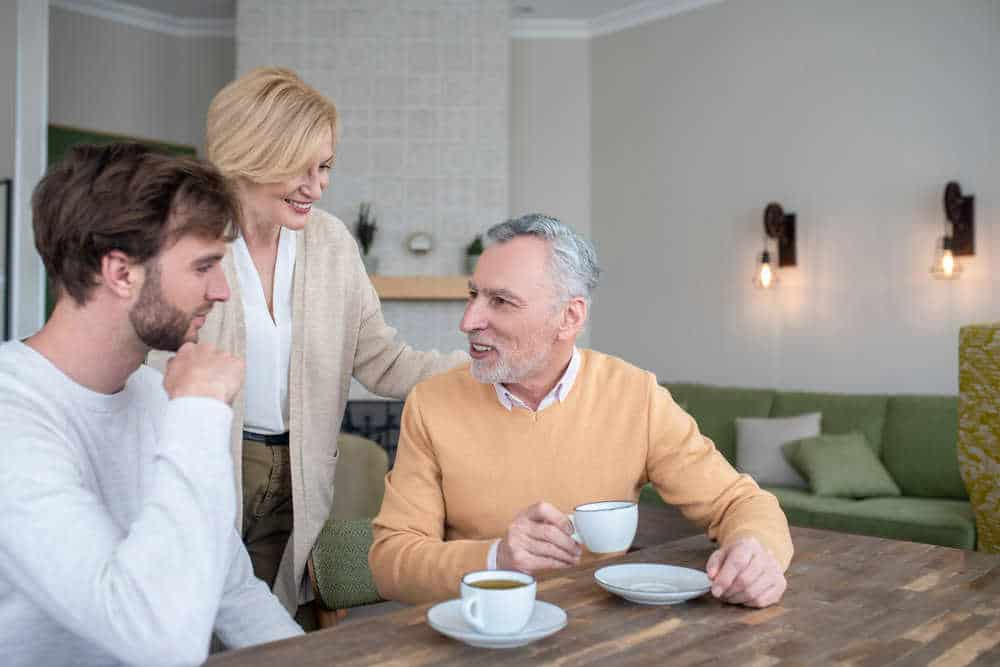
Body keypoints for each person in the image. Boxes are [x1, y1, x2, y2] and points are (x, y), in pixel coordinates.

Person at [147, 67, 465, 615]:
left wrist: (483, 370)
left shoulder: (331, 242)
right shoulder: (182, 238)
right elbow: (147, 366)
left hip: (297, 468)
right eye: (303, 168)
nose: (318, 187)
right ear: (255, 152)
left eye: (326, 168)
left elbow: (383, 360)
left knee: (266, 619)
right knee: (183, 613)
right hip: (208, 460)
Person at [370, 214, 793, 608]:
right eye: (474, 295)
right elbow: (391, 562)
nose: (469, 320)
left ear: (569, 317)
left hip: (600, 636)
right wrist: (498, 557)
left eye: (500, 301)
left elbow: (739, 502)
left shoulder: (635, 396)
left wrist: (756, 551)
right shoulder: (431, 404)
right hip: (477, 632)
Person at [0, 143, 303, 667]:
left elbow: (234, 591)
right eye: (204, 266)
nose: (221, 291)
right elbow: (157, 641)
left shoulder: (156, 398)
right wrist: (201, 409)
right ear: (120, 273)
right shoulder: (14, 415)